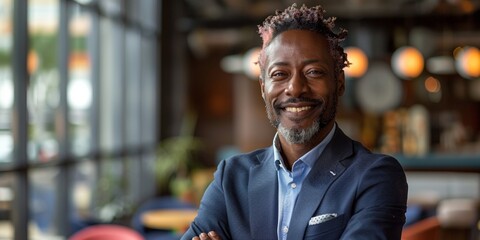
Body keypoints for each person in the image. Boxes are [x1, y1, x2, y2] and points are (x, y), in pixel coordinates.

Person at [182, 4, 408, 240]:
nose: (295, 88)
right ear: (263, 88)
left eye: (313, 72)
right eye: (280, 74)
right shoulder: (232, 178)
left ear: (339, 82)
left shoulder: (375, 176)